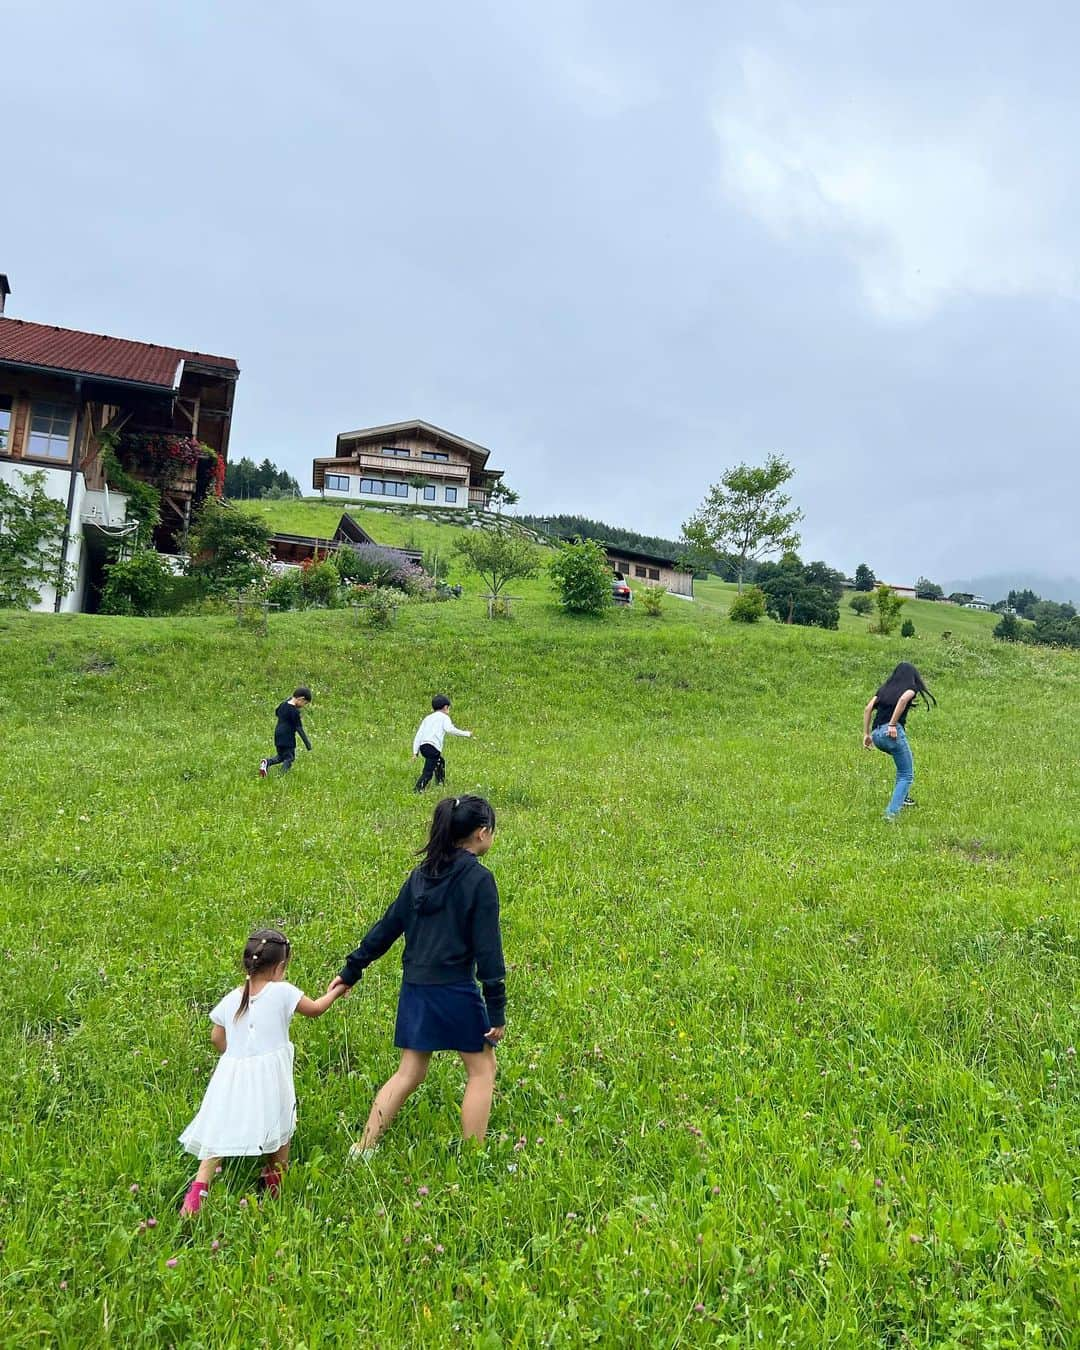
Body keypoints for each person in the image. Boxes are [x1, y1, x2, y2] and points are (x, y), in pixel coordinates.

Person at [330, 796, 505, 1153]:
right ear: (482, 833)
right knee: (483, 1069)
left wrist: (352, 969)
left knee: (409, 1071)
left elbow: (388, 927)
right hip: (455, 987)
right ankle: (474, 1156)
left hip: (416, 986)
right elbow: (489, 950)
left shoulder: (421, 876)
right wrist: (496, 1008)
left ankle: (363, 1147)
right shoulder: (480, 880)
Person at [178, 928, 347, 1216]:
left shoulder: (233, 997)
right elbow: (316, 1009)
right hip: (270, 1075)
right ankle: (274, 1181)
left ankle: (196, 1194)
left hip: (231, 1073)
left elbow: (216, 1038)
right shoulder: (283, 992)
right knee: (280, 1126)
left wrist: (238, 1056)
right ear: (280, 967)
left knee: (219, 1129)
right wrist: (338, 989)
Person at [863, 661, 936, 819]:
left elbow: (868, 708)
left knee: (904, 764)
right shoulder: (911, 689)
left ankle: (904, 797)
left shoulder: (884, 689)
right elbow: (903, 700)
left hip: (877, 735)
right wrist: (892, 724)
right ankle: (891, 814)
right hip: (892, 733)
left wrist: (866, 734)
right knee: (906, 774)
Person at [412, 694, 472, 793]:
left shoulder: (427, 718)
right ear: (445, 707)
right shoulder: (444, 717)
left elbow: (419, 734)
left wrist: (415, 752)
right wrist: (466, 734)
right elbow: (450, 729)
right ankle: (418, 789)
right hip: (433, 748)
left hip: (423, 747)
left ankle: (440, 782)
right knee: (428, 771)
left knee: (440, 761)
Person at [260, 686, 312, 777]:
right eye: (305, 703)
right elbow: (299, 728)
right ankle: (281, 775)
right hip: (288, 737)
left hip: (278, 735)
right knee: (290, 758)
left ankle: (266, 762)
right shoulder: (294, 712)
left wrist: (286, 700)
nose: (303, 706)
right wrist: (307, 744)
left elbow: (276, 711)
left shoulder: (283, 705)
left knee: (280, 757)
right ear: (301, 699)